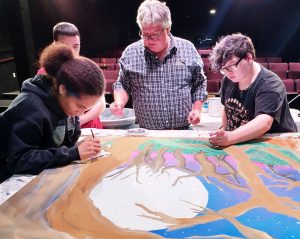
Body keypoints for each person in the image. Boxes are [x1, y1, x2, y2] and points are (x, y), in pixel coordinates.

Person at [0, 43, 105, 182]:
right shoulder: (29, 108)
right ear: (63, 89)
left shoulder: (66, 104)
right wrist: (72, 154)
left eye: (86, 109)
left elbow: (66, 142)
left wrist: (78, 149)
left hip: (44, 175)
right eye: (79, 106)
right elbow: (19, 160)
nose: (80, 114)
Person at [110, 0, 207, 130]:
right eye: (145, 34)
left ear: (168, 29)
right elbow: (122, 83)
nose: (148, 41)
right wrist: (119, 102)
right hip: (146, 131)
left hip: (182, 129)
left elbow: (199, 82)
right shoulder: (131, 52)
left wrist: (197, 109)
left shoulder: (187, 48)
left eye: (155, 35)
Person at [208, 33, 297, 147]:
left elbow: (264, 122)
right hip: (240, 140)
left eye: (231, 66)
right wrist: (224, 131)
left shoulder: (269, 83)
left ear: (249, 57)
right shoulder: (229, 79)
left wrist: (230, 137)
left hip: (274, 143)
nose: (227, 73)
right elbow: (227, 108)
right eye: (223, 69)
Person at [38, 22, 106, 129]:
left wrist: (79, 121)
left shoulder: (86, 66)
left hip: (90, 126)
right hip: (64, 131)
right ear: (55, 45)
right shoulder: (45, 73)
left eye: (76, 46)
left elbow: (101, 103)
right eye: (65, 46)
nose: (72, 52)